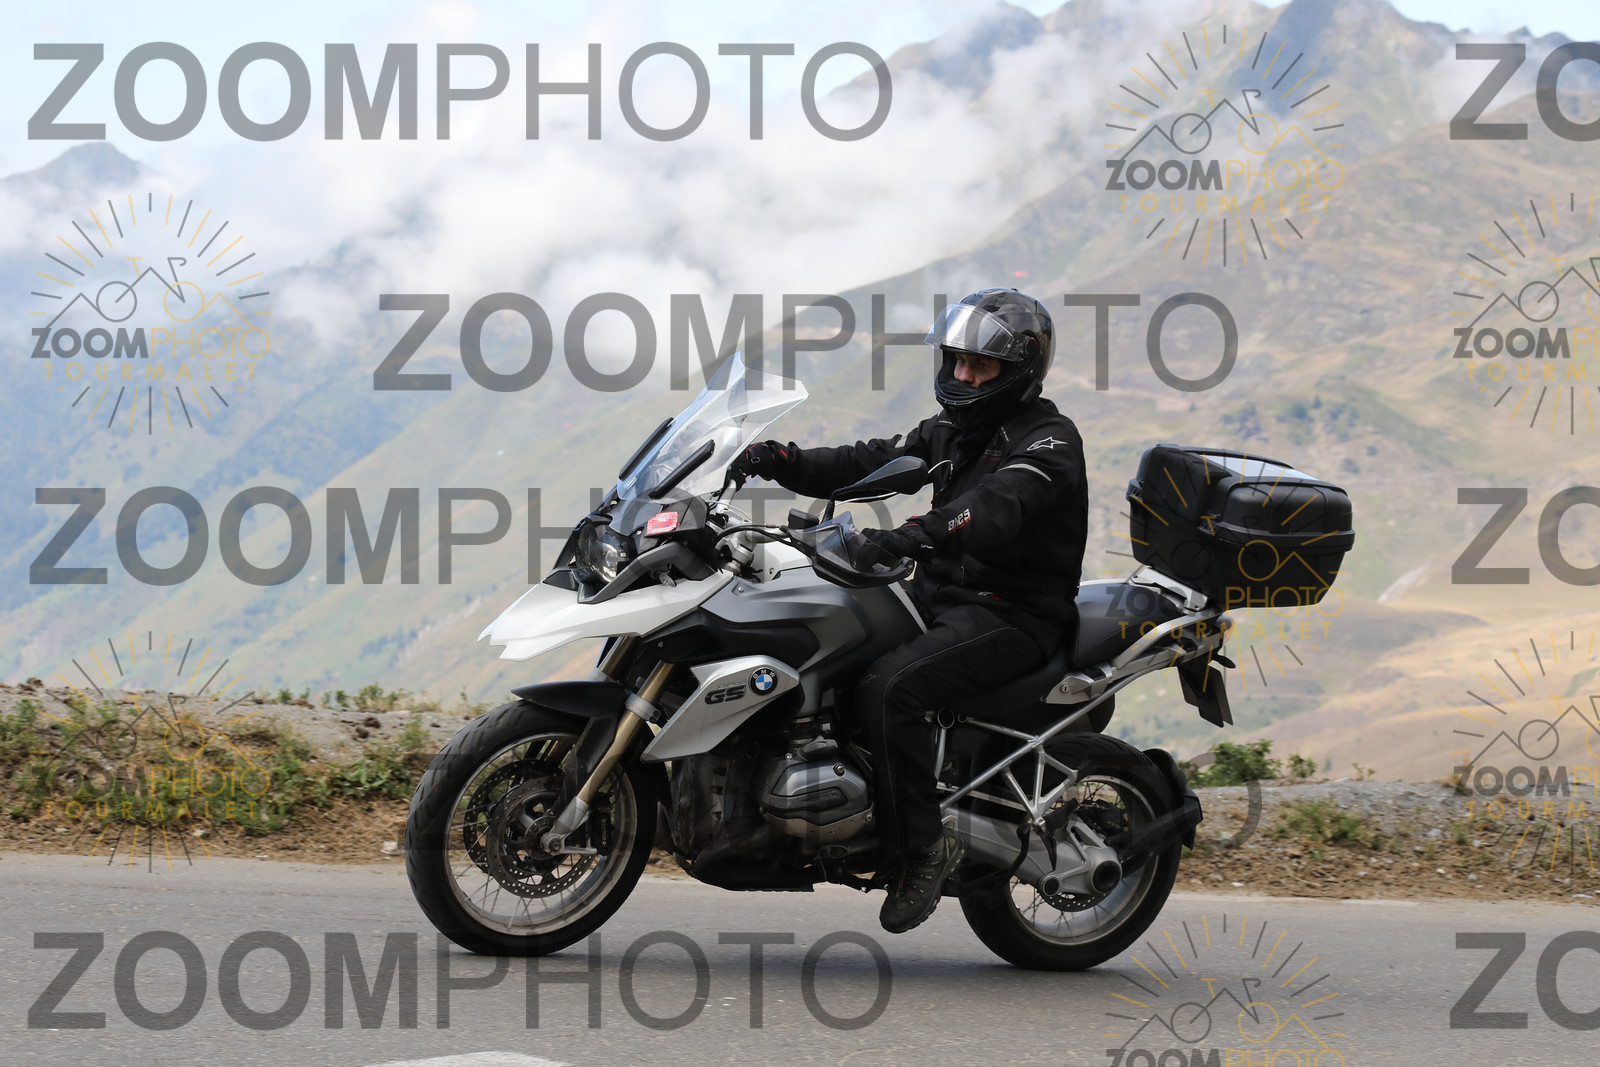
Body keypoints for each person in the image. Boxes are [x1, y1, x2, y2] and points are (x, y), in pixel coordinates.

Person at [728, 288, 1089, 934]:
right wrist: (779, 460)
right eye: (958, 361)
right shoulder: (952, 429)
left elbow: (991, 509)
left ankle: (921, 847)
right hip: (940, 595)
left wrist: (907, 537)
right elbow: (869, 462)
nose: (964, 376)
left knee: (891, 687)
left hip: (1012, 614)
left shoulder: (1050, 443)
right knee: (826, 644)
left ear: (1019, 371)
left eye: (981, 366)